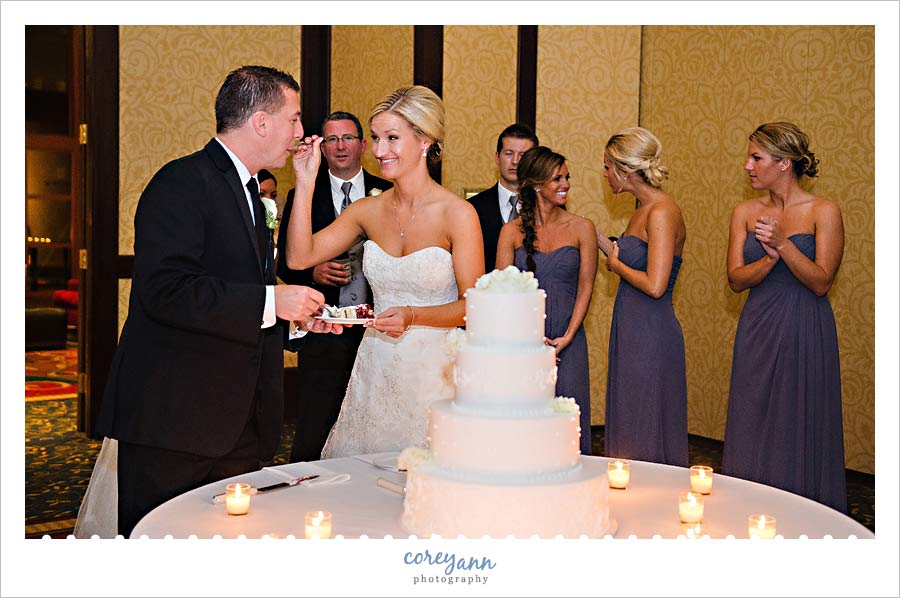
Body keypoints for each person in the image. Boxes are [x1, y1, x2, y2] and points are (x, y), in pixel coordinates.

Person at [80, 65, 337, 538]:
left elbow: (240, 290)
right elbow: (167, 291)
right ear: (261, 122)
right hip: (175, 420)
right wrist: (271, 301)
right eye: (295, 119)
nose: (302, 133)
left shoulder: (250, 192)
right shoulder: (181, 182)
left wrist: (295, 322)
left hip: (236, 421)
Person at [286, 85, 484, 458]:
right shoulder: (367, 210)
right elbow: (300, 257)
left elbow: (474, 305)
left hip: (436, 374)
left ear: (425, 141)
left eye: (392, 138)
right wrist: (305, 180)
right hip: (376, 367)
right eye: (376, 138)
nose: (379, 150)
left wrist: (413, 316)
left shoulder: (457, 214)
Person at [722, 122, 846, 512]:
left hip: (804, 326)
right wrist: (768, 261)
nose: (748, 166)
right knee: (752, 415)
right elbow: (736, 280)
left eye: (756, 157)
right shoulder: (745, 211)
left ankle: (803, 515)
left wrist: (782, 245)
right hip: (757, 324)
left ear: (785, 163)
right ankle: (747, 511)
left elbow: (821, 282)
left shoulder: (823, 211)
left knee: (798, 421)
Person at [276, 111, 392, 463]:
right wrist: (314, 272)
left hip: (379, 329)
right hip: (323, 328)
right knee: (315, 420)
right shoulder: (303, 192)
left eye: (348, 138)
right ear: (322, 148)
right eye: (331, 139)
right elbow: (285, 263)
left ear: (362, 145)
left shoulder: (387, 192)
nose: (340, 146)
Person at [495, 146, 598, 455]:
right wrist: (531, 340)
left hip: (569, 339)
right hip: (522, 343)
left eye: (567, 177)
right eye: (557, 179)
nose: (565, 184)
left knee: (567, 422)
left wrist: (567, 336)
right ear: (537, 185)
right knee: (526, 424)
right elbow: (501, 293)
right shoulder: (510, 233)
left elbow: (586, 286)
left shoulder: (583, 228)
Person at [600, 127, 688, 467]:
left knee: (646, 417)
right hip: (631, 326)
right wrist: (587, 232)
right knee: (629, 412)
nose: (605, 174)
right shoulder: (641, 210)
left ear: (624, 170)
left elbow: (655, 284)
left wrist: (616, 265)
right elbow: (625, 256)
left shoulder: (662, 211)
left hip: (652, 331)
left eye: (608, 167)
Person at [468, 123, 539, 273]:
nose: (515, 161)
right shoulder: (472, 207)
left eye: (523, 155)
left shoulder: (544, 207)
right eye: (508, 153)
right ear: (497, 157)